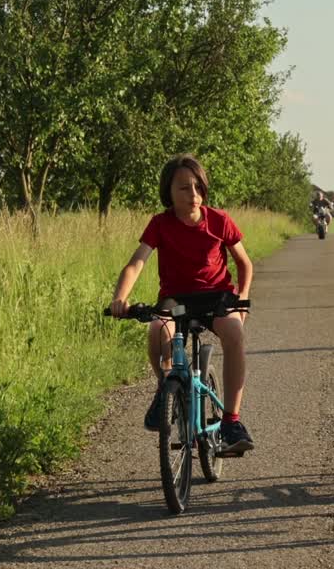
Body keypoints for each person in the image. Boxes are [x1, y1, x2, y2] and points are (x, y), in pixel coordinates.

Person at [110, 154, 255, 454]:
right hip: (176, 299)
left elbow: (244, 263)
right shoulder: (160, 224)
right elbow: (137, 263)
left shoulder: (219, 220)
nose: (193, 196)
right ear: (168, 192)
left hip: (216, 296)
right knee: (156, 331)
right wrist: (120, 298)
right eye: (184, 188)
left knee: (234, 334)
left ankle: (231, 421)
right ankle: (166, 389)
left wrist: (241, 299)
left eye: (198, 187)